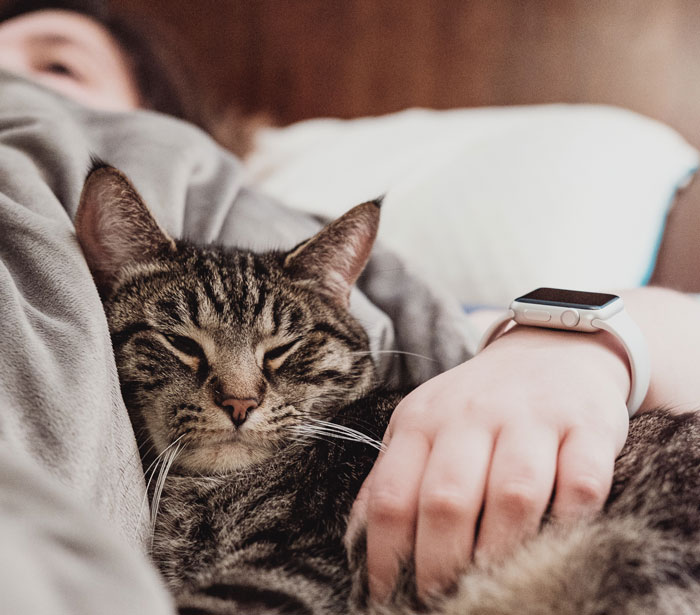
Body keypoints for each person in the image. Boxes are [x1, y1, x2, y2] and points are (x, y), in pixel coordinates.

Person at [1, 1, 700, 610]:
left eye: (58, 66)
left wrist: (565, 348)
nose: (240, 397)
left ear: (158, 114)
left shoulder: (373, 349)